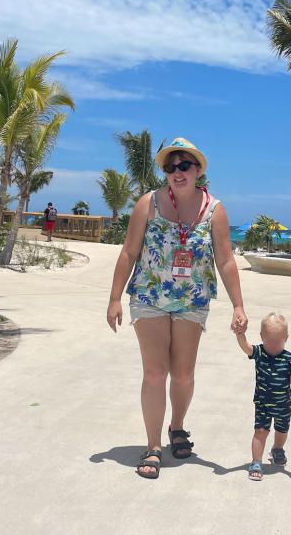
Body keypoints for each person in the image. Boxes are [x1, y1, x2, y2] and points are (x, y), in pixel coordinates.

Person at [107, 138, 248, 479]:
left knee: (183, 373)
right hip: (148, 296)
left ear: (198, 170)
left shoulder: (215, 209)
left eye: (184, 165)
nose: (177, 172)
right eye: (171, 167)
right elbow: (129, 251)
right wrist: (114, 298)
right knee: (155, 372)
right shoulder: (149, 203)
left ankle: (177, 427)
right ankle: (153, 445)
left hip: (193, 299)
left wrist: (238, 305)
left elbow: (226, 259)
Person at [234, 312, 291, 481]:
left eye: (278, 342)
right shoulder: (260, 352)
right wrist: (240, 334)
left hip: (283, 405)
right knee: (260, 431)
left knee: (282, 430)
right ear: (262, 336)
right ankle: (256, 462)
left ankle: (278, 449)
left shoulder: (289, 358)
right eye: (269, 341)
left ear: (286, 338)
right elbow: (246, 347)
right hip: (263, 403)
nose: (273, 346)